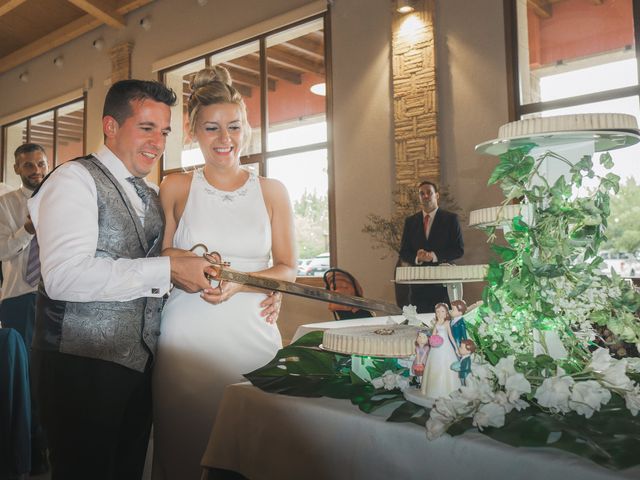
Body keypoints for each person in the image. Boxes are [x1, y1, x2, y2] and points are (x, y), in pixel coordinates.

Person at [27, 79, 221, 480]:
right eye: (146, 128)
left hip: (138, 367)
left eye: (164, 132)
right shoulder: (73, 180)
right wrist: (166, 269)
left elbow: (146, 260)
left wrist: (187, 264)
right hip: (78, 366)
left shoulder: (150, 193)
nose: (157, 142)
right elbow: (64, 276)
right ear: (111, 127)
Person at [152, 66, 296, 480]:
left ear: (246, 129)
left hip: (253, 330)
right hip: (187, 335)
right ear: (194, 132)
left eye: (233, 126)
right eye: (211, 128)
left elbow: (288, 265)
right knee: (185, 448)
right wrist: (196, 264)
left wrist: (248, 283)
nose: (224, 139)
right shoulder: (175, 186)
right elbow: (163, 254)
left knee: (259, 449)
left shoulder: (272, 191)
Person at [0, 143, 49, 474]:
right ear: (17, 169)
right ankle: (25, 453)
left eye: (41, 163)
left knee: (49, 375)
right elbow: (1, 251)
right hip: (18, 297)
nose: (36, 170)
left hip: (55, 297)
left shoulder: (61, 199)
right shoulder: (6, 204)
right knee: (22, 379)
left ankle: (46, 447)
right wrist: (27, 229)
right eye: (28, 165)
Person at [399, 180, 464, 313]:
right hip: (418, 287)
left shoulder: (451, 219)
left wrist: (434, 256)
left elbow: (458, 250)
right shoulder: (410, 222)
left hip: (443, 286)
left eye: (429, 192)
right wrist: (417, 257)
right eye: (422, 194)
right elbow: (404, 252)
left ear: (437, 195)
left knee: (444, 325)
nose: (426, 196)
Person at [420, 303, 461, 400]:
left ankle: (449, 390)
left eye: (442, 311)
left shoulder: (447, 323)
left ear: (446, 312)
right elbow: (433, 334)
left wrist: (455, 347)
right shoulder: (437, 323)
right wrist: (432, 341)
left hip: (446, 347)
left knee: (446, 365)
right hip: (436, 347)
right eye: (438, 311)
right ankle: (433, 389)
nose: (440, 313)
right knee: (434, 365)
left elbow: (450, 336)